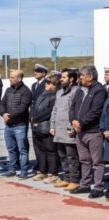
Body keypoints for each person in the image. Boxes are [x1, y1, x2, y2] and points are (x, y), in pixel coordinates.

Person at [69, 65, 106, 199]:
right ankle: (84, 185)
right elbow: (72, 107)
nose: (79, 78)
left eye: (82, 76)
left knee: (97, 162)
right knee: (84, 160)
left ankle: (98, 187)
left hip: (93, 132)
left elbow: (95, 111)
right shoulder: (80, 90)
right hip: (80, 132)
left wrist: (81, 123)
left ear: (90, 77)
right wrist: (73, 120)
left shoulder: (99, 90)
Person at [50, 68, 80, 191]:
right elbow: (55, 109)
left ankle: (74, 180)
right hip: (59, 129)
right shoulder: (59, 92)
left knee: (71, 156)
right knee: (62, 155)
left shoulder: (76, 91)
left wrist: (72, 127)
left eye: (64, 77)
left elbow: (76, 111)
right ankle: (66, 178)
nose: (61, 80)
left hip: (69, 129)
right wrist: (52, 125)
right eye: (61, 77)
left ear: (71, 79)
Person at [0, 69, 32, 180]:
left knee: (22, 149)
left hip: (20, 125)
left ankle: (24, 171)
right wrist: (3, 114)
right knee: (11, 148)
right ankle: (12, 169)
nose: (10, 79)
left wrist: (9, 116)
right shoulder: (8, 90)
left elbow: (22, 108)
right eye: (10, 77)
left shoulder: (26, 91)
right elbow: (2, 104)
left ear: (19, 78)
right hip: (9, 126)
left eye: (13, 77)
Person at [31, 75, 60, 184]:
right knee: (41, 151)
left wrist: (36, 118)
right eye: (46, 82)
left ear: (54, 85)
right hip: (38, 127)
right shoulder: (43, 94)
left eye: (48, 83)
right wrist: (33, 118)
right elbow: (35, 108)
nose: (46, 84)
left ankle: (53, 174)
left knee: (51, 151)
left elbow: (49, 112)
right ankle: (42, 171)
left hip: (46, 127)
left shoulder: (54, 96)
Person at [31, 64, 48, 173]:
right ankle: (39, 163)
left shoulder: (47, 84)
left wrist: (38, 118)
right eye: (35, 70)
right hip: (33, 117)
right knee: (36, 143)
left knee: (44, 144)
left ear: (44, 73)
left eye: (38, 71)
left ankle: (44, 166)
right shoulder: (34, 85)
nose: (35, 72)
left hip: (42, 118)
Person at [100, 67, 109, 164]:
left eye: (107, 74)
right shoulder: (102, 87)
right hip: (104, 123)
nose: (105, 76)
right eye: (105, 74)